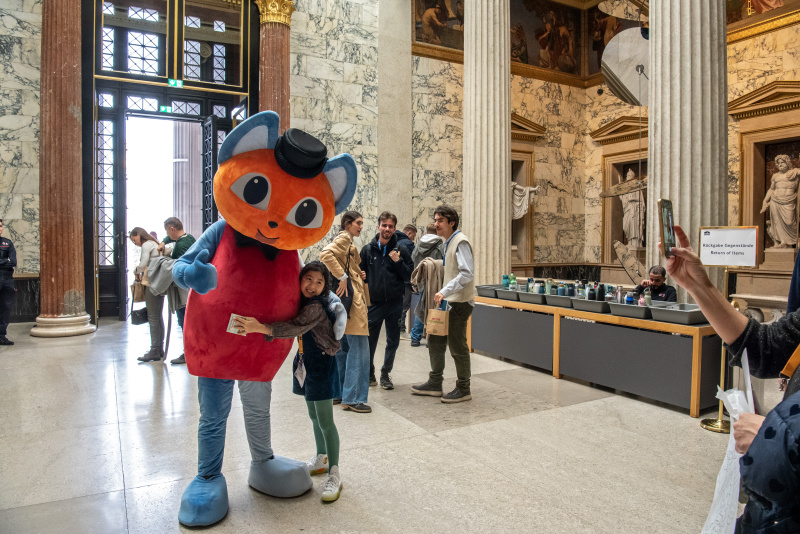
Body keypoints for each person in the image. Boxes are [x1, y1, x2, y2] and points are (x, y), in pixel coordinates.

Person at [234, 261, 343, 503]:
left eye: (319, 282)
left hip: (322, 363)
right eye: (308, 279)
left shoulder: (315, 307)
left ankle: (334, 472)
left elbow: (294, 327)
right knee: (314, 416)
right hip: (306, 361)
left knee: (326, 420)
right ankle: (321, 457)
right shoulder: (302, 301)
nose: (312, 285)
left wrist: (261, 327)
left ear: (325, 286)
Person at [411, 205, 475, 403]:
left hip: (459, 303)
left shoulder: (461, 241)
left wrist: (444, 291)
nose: (436, 224)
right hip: (447, 302)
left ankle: (464, 388)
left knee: (457, 346)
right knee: (435, 341)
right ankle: (435, 382)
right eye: (436, 220)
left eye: (440, 221)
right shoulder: (447, 242)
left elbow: (467, 273)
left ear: (451, 222)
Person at [320, 211, 372, 414]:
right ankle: (354, 398)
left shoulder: (348, 243)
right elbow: (325, 254)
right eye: (358, 223)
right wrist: (342, 276)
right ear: (347, 224)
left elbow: (346, 264)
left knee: (343, 350)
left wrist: (355, 273)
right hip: (354, 304)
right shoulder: (344, 238)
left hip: (345, 304)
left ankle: (339, 392)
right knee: (360, 351)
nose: (361, 226)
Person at [360, 212, 413, 390]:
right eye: (384, 225)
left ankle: (385, 373)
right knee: (370, 341)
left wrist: (398, 262)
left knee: (393, 341)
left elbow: (410, 276)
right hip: (374, 304)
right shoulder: (367, 250)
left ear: (395, 229)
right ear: (378, 226)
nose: (387, 229)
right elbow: (360, 274)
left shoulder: (401, 250)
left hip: (395, 303)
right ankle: (369, 373)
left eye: (390, 226)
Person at [158, 217, 196, 364]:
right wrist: (163, 241)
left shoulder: (181, 246)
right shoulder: (188, 237)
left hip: (184, 289)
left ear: (172, 229)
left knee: (184, 322)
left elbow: (178, 267)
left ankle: (188, 353)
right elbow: (170, 238)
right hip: (188, 288)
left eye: (167, 231)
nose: (168, 234)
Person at [130, 227, 165, 362]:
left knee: (153, 317)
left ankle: (154, 349)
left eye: (134, 240)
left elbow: (143, 263)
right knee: (157, 316)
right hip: (159, 282)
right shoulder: (155, 243)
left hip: (152, 283)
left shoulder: (146, 244)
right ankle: (159, 348)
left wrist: (135, 271)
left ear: (139, 234)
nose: (135, 243)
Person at [409, 223, 444, 347]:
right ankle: (432, 338)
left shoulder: (419, 245)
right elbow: (443, 263)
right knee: (435, 308)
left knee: (421, 306)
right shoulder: (440, 245)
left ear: (426, 231)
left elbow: (413, 259)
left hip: (422, 281)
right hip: (436, 281)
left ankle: (415, 338)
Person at [760, 154, 800, 248]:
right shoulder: (775, 176)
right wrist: (765, 201)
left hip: (789, 201)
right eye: (778, 163)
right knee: (777, 222)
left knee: (790, 222)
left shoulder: (794, 172)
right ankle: (782, 242)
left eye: (783, 162)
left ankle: (793, 241)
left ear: (787, 163)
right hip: (775, 200)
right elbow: (771, 189)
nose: (780, 164)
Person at [397, 224, 416, 333]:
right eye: (413, 235)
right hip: (405, 280)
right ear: (409, 233)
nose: (413, 238)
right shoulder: (408, 244)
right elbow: (412, 262)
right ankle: (401, 326)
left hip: (395, 280)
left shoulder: (395, 241)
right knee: (405, 305)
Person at [0, 219, 16, 346]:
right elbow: (8, 261)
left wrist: (4, 261)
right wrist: (5, 260)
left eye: (0, 226)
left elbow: (14, 262)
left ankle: (1, 335)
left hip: (7, 280)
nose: (0, 228)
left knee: (6, 308)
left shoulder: (7, 243)